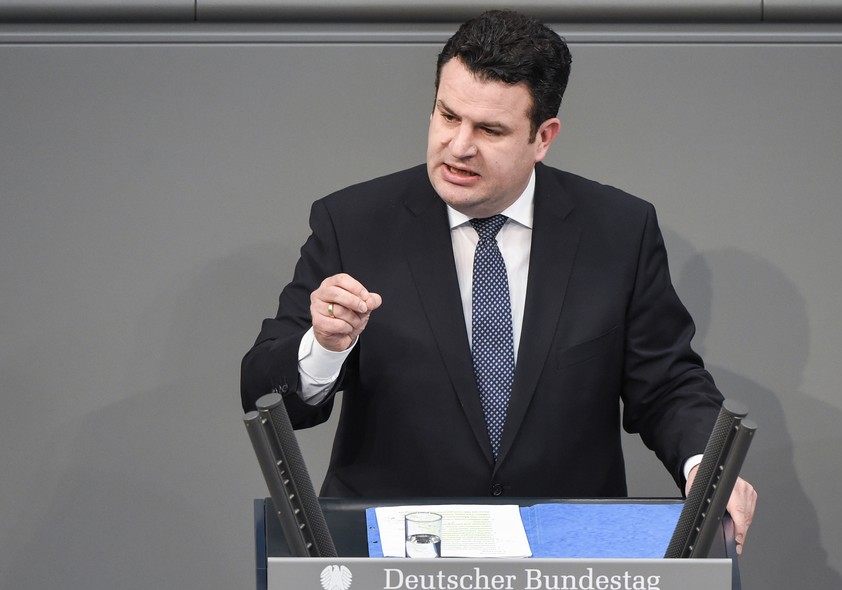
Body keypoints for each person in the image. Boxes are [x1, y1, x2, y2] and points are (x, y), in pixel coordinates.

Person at [241, 10, 756, 552]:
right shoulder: (354, 223)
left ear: (543, 137)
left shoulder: (618, 231)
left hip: (564, 562)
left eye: (490, 130)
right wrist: (321, 347)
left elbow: (668, 382)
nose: (459, 146)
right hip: (396, 563)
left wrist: (706, 464)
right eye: (447, 115)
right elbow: (261, 392)